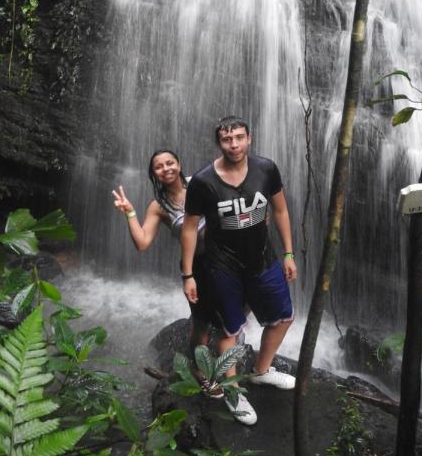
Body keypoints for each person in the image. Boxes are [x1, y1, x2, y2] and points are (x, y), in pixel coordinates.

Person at [181, 116, 297, 425]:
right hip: (222, 266)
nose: (234, 145)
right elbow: (190, 228)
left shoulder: (266, 169)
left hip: (263, 259)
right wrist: (188, 273)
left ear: (249, 139)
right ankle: (233, 392)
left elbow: (280, 209)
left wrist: (288, 253)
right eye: (227, 140)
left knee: (284, 318)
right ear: (219, 143)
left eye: (239, 138)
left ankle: (261, 371)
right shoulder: (203, 182)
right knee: (229, 332)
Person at [112, 149, 221, 395]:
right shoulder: (158, 206)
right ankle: (201, 372)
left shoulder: (201, 183)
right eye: (159, 167)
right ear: (153, 174)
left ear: (179, 164)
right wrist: (129, 212)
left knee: (236, 312)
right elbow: (142, 243)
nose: (166, 169)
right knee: (201, 323)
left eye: (170, 163)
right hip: (196, 266)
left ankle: (231, 360)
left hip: (226, 258)